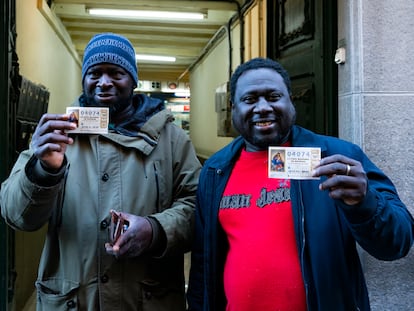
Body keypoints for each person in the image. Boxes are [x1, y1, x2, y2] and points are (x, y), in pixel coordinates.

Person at [186, 57, 414, 311]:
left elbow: (398, 242)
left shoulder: (336, 157)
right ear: (233, 108)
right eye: (249, 100)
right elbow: (203, 262)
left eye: (273, 97)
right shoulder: (216, 170)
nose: (263, 107)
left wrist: (365, 203)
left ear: (290, 102)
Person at [0, 33, 201, 310]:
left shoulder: (172, 140)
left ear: (133, 79)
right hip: (75, 301)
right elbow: (16, 215)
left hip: (146, 300)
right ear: (84, 79)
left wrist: (156, 230)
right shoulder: (57, 136)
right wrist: (43, 169)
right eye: (95, 73)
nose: (104, 82)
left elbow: (196, 206)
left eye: (116, 73)